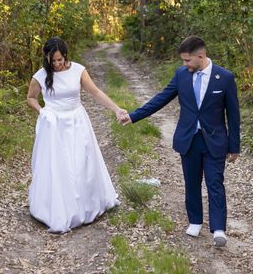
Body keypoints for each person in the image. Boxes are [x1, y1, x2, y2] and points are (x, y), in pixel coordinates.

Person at [118, 35, 240, 247]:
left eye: (187, 60)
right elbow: (161, 98)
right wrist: (134, 115)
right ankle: (194, 221)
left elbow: (234, 115)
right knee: (192, 182)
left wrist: (234, 146)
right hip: (189, 139)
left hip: (215, 141)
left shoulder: (225, 78)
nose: (184, 64)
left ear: (200, 56)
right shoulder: (182, 75)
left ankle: (219, 229)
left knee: (215, 183)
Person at [26, 37, 126, 233]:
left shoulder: (78, 70)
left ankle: (86, 204)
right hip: (54, 125)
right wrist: (42, 111)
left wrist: (116, 109)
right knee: (58, 167)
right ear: (47, 58)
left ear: (65, 56)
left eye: (60, 60)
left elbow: (95, 92)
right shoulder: (40, 76)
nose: (56, 64)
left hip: (77, 122)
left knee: (81, 163)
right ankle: (60, 208)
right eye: (52, 61)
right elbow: (30, 98)